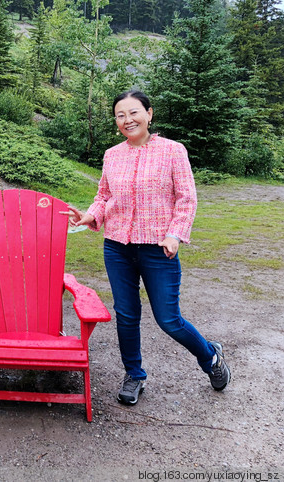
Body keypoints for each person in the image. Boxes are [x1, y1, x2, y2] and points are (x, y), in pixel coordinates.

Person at [69, 90, 230, 406]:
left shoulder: (173, 151)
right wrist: (90, 214)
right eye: (120, 115)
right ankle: (134, 376)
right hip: (117, 247)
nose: (127, 120)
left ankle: (210, 356)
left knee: (169, 320)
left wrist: (175, 234)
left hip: (159, 248)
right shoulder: (112, 155)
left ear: (149, 114)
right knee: (126, 314)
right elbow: (104, 197)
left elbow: (186, 198)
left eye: (133, 113)